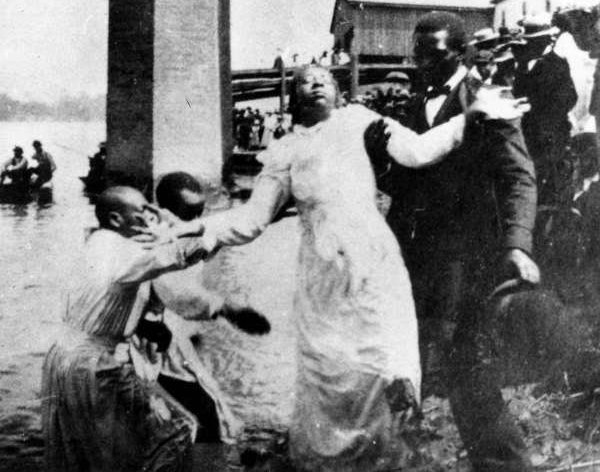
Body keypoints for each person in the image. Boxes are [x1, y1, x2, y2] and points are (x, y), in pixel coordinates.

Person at [190, 64, 527, 471]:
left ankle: (391, 455)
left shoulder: (363, 121)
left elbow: (416, 152)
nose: (313, 86)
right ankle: (330, 461)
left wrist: (468, 117)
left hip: (372, 261)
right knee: (329, 370)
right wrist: (198, 234)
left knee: (382, 360)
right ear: (294, 98)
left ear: (338, 91)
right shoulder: (285, 150)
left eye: (322, 80)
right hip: (320, 275)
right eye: (302, 83)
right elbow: (252, 218)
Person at [380, 12, 539, 472]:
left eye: (438, 54)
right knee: (401, 351)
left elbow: (518, 175)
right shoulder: (413, 104)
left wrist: (517, 243)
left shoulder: (489, 98)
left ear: (463, 52)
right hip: (412, 248)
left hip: (464, 251)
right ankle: (399, 454)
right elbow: (407, 178)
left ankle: (504, 464)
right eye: (419, 53)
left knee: (463, 360)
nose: (425, 62)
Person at [41, 185, 216, 471]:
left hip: (63, 358)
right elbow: (178, 256)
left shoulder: (96, 242)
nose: (149, 219)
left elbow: (111, 297)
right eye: (141, 214)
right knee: (177, 429)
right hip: (97, 362)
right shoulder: (125, 250)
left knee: (81, 448)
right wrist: (196, 230)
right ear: (115, 220)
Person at [134, 172, 268, 443]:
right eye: (189, 214)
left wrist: (272, 212)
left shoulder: (188, 228)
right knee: (203, 411)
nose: (196, 220)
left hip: (170, 327)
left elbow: (219, 231)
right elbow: (178, 294)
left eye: (200, 212)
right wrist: (227, 309)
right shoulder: (159, 238)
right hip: (153, 334)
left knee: (199, 405)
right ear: (166, 211)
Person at [512, 15, 577, 207]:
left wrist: (543, 114)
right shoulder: (523, 67)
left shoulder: (556, 64)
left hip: (551, 135)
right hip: (529, 134)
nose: (530, 46)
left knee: (551, 185)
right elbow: (519, 94)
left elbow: (569, 97)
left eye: (534, 42)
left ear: (544, 41)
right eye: (528, 42)